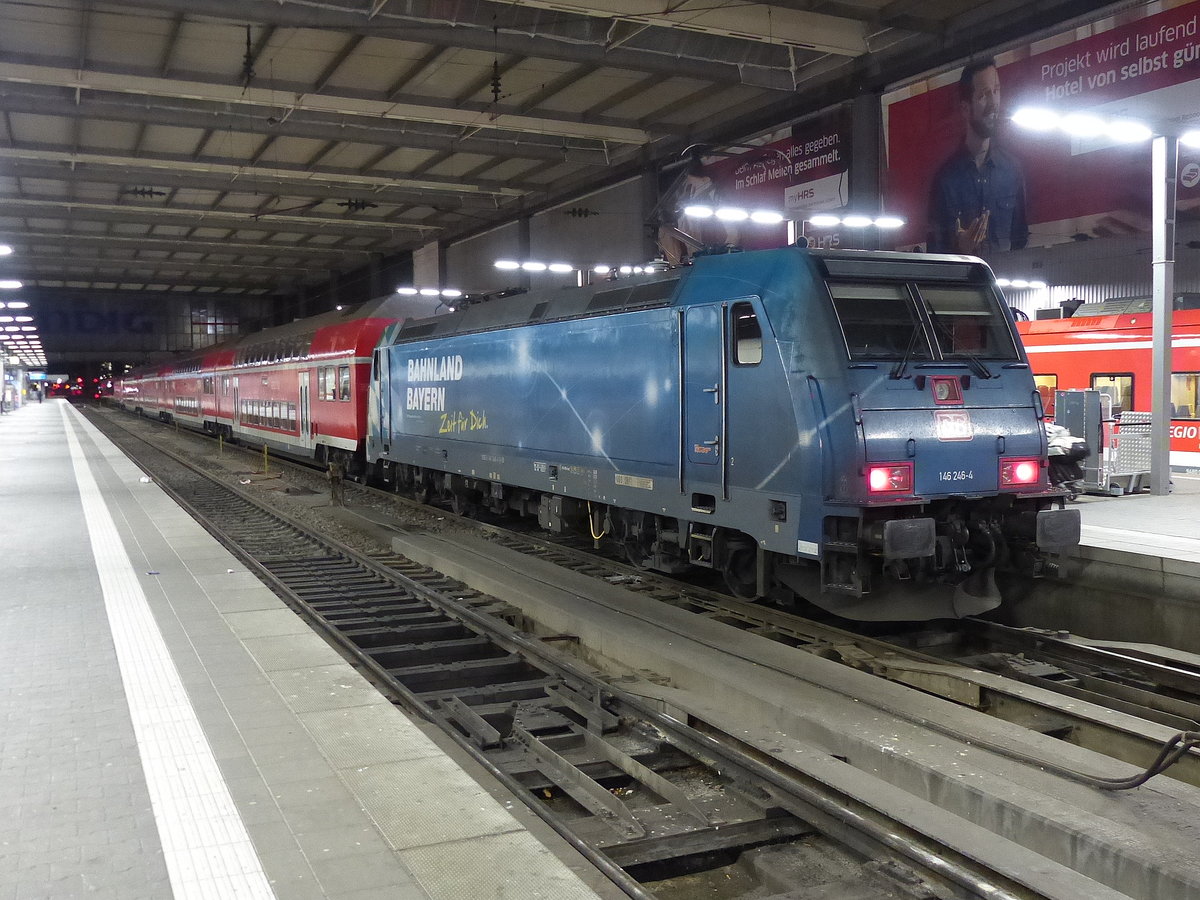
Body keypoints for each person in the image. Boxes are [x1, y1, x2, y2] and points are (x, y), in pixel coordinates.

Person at [928, 58, 1029, 256]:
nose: (994, 103)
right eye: (983, 95)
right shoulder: (946, 180)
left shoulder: (1012, 170)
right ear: (965, 108)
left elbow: (1021, 239)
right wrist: (960, 249)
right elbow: (935, 253)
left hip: (1005, 285)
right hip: (964, 286)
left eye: (996, 91)